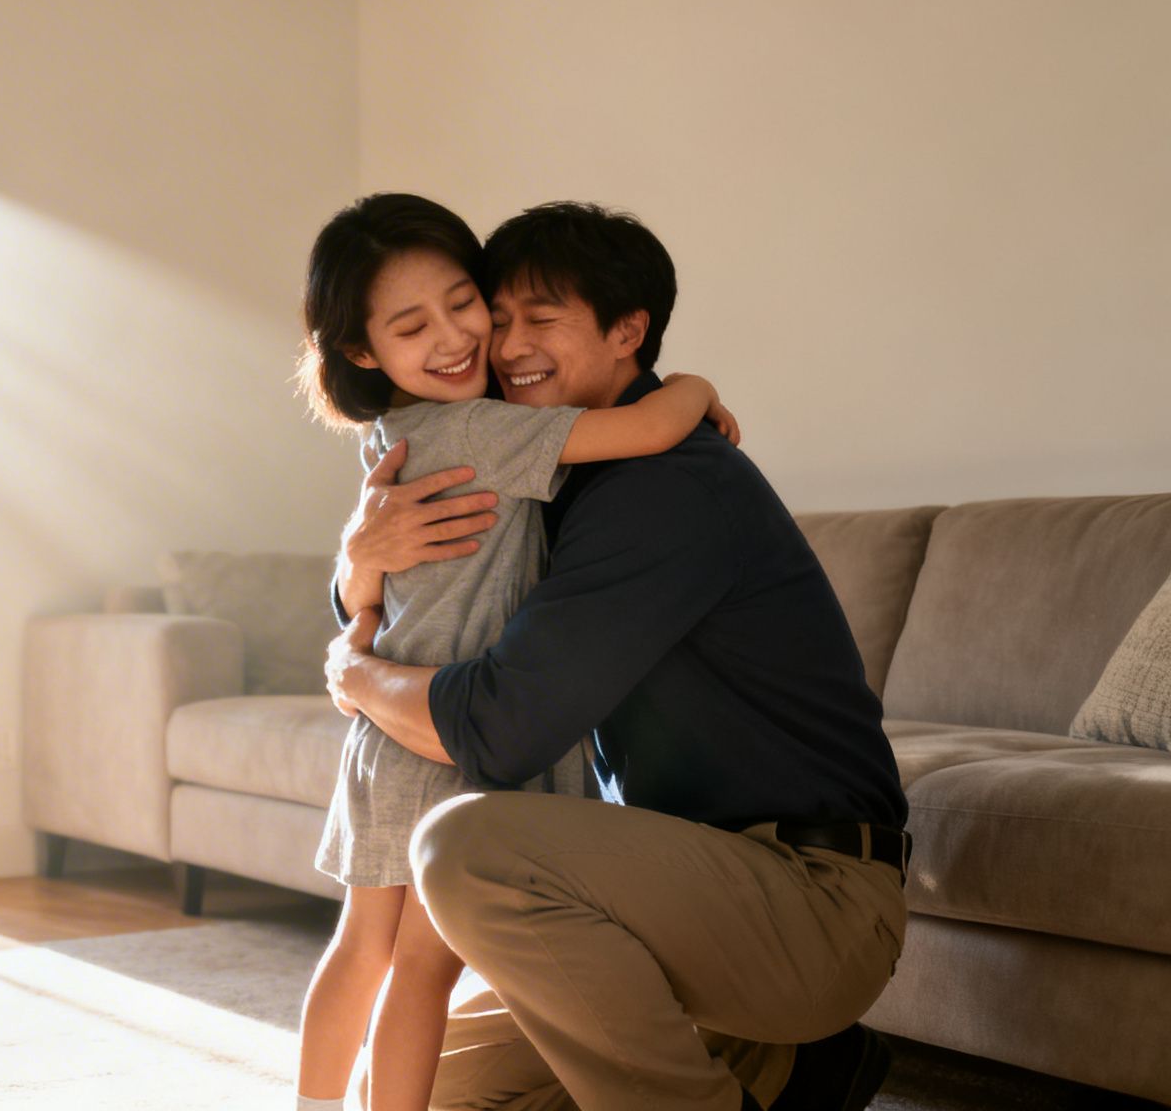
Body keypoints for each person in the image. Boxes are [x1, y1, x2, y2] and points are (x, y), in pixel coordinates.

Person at [325, 200, 910, 1111]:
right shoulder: (551, 471)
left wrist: (353, 677)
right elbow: (427, 590)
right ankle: (787, 1071)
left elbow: (499, 728)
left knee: (465, 847)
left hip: (808, 903)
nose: (506, 344)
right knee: (416, 1091)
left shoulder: (663, 488)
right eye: (501, 313)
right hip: (666, 898)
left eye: (543, 319)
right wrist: (360, 560)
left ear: (628, 330)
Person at [291, 193, 741, 1111]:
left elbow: (374, 590)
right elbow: (651, 428)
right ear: (363, 352)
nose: (459, 337)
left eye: (467, 305)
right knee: (421, 969)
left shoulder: (397, 433)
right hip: (447, 731)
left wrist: (356, 589)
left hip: (389, 730)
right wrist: (693, 388)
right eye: (414, 325)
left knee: (360, 946)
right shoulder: (489, 431)